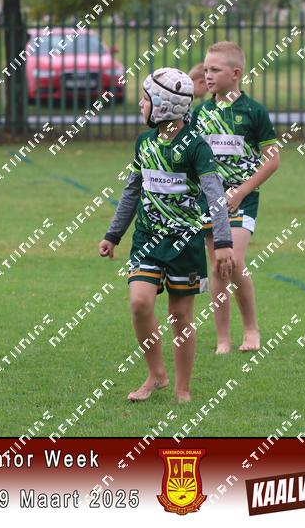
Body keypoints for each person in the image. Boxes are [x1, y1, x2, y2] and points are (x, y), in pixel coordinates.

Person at [99, 67, 234, 403]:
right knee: (139, 303)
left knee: (180, 316)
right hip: (147, 240)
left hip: (185, 243)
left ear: (163, 105)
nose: (141, 104)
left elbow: (215, 195)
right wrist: (113, 234)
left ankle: (182, 388)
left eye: (146, 99)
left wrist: (222, 242)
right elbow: (132, 191)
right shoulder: (144, 143)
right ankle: (156, 375)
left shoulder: (196, 147)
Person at [192, 41, 280, 354]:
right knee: (219, 265)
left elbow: (272, 160)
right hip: (208, 201)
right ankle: (223, 340)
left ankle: (251, 329)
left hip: (243, 200)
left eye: (215, 69)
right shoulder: (200, 113)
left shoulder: (253, 112)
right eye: (206, 69)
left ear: (236, 73)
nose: (208, 75)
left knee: (235, 260)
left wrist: (241, 192)